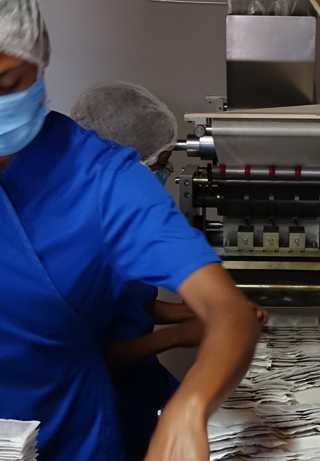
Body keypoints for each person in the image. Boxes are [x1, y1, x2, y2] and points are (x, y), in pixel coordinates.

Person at [0, 2, 262, 460]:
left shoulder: (102, 179)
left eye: (4, 84)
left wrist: (190, 407)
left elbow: (227, 313)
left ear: (39, 61)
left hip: (69, 434)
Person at [70, 81, 212, 460]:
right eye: (160, 166)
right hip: (106, 403)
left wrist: (200, 311)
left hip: (139, 385)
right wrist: (181, 335)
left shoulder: (120, 218)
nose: (164, 177)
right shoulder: (83, 232)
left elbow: (132, 304)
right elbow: (100, 353)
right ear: (124, 162)